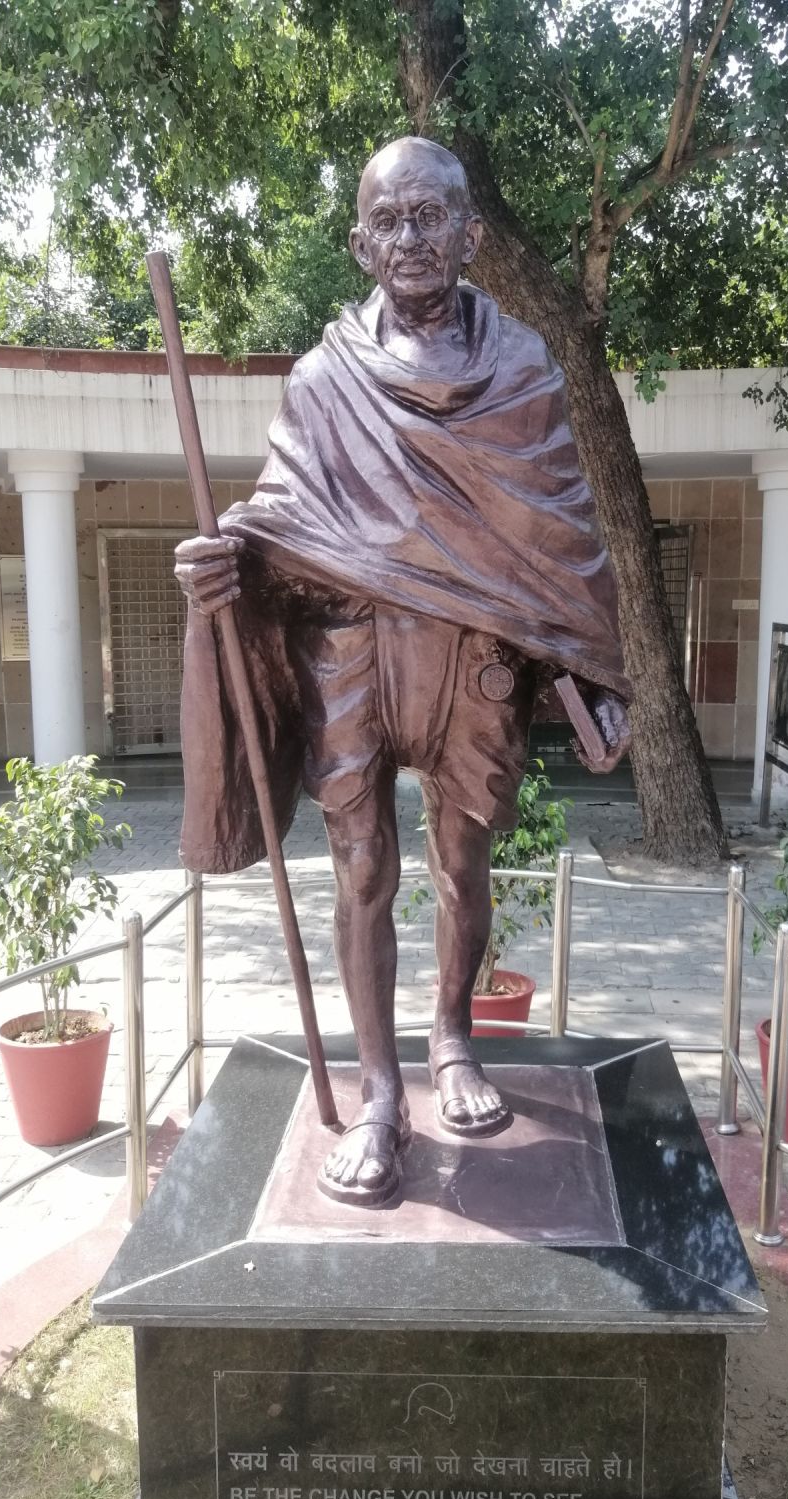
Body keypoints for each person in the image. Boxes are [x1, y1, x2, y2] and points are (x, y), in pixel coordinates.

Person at [174, 136, 631, 1207]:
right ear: (359, 244)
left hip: (475, 659)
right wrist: (225, 563)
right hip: (353, 651)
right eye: (388, 220)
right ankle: (380, 1090)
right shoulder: (321, 381)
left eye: (430, 216)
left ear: (471, 234)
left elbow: (557, 534)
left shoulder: (523, 369)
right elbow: (285, 520)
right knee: (363, 869)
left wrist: (589, 670)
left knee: (464, 863)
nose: (411, 238)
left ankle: (453, 1037)